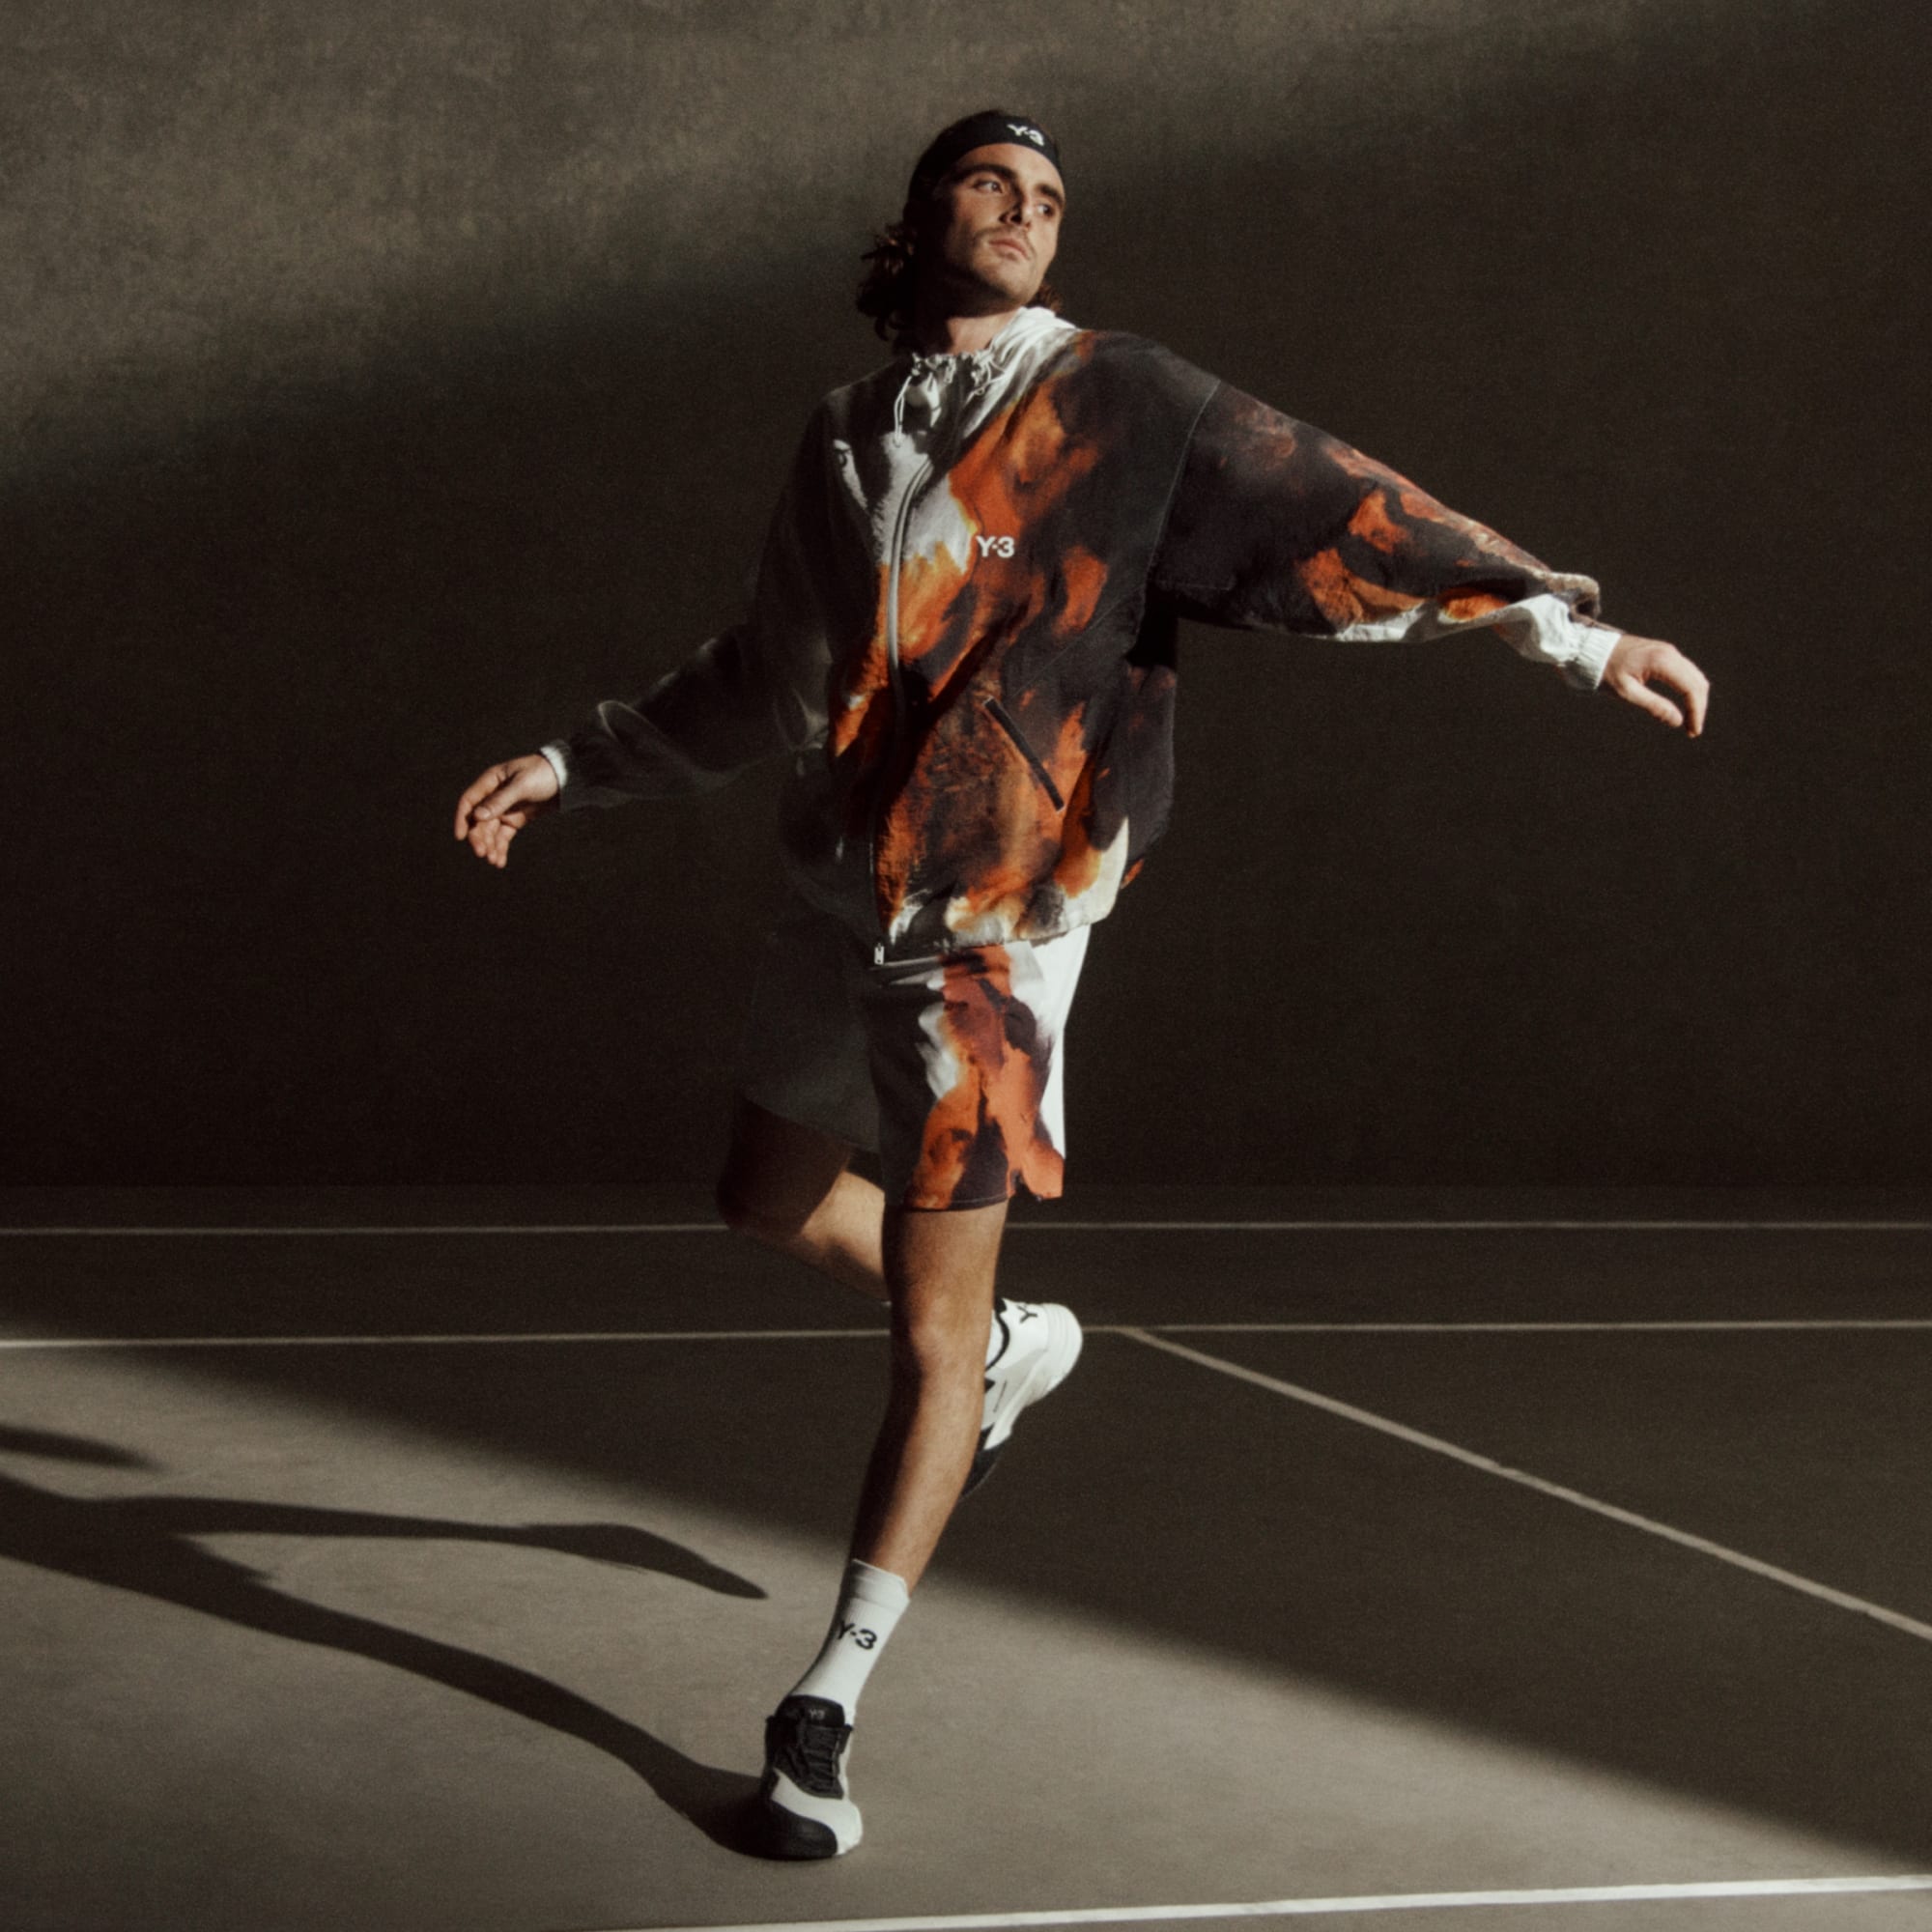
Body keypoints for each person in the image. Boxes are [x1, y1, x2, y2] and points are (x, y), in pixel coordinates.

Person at [453, 109, 1710, 1859]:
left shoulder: (1120, 402)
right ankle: (1005, 1351)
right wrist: (572, 763)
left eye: (1050, 199)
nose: (1028, 211)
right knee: (763, 1196)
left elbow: (1349, 507)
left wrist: (1573, 635)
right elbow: (768, 670)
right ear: (920, 216)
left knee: (924, 1327)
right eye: (994, 184)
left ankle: (825, 1707)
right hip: (841, 890)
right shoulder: (844, 433)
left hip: (998, 925)